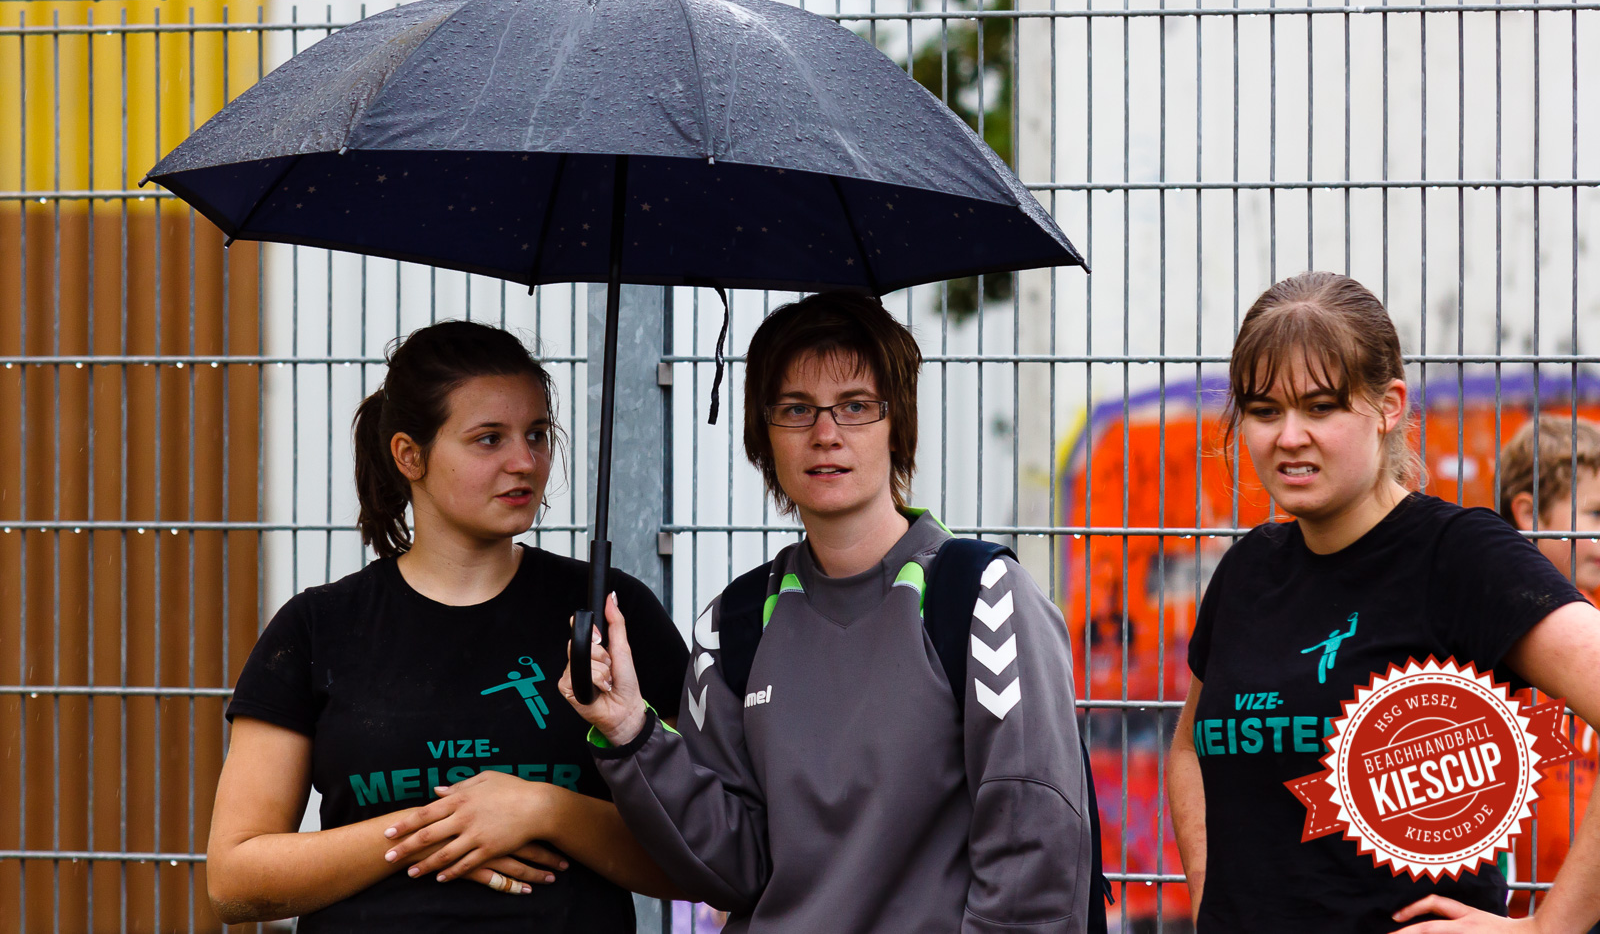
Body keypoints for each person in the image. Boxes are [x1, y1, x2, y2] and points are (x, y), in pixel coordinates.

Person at [560, 292, 1095, 934]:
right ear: (764, 434)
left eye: (856, 406)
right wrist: (629, 733)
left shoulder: (983, 597)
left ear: (899, 424)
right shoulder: (733, 625)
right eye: (796, 410)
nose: (826, 434)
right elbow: (729, 872)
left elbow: (1032, 848)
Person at [206, 320, 690, 932]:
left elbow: (696, 858)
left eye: (537, 434)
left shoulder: (613, 613)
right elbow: (234, 879)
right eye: (489, 439)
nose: (525, 461)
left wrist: (545, 810)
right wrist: (440, 830)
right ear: (410, 455)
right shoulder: (318, 626)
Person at [1165, 272, 1600, 933]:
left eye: (1320, 406)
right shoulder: (1248, 569)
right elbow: (1189, 748)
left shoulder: (1458, 556)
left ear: (1389, 405)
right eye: (1263, 410)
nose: (1288, 437)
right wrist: (1210, 899)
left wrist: (1547, 928)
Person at [1498, 415, 1600, 921]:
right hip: (1513, 902)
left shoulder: (1592, 626)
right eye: (1595, 514)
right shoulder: (1489, 630)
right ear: (1529, 513)